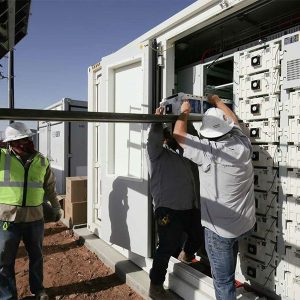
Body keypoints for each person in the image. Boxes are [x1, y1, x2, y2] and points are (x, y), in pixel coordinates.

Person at [173, 95, 256, 300]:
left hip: (219, 231)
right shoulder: (243, 143)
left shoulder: (207, 151)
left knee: (223, 281)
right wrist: (218, 101)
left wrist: (184, 110)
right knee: (229, 258)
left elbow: (178, 133)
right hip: (243, 224)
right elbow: (234, 121)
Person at [146, 107, 205, 299]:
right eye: (168, 134)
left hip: (190, 206)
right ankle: (155, 286)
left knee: (198, 237)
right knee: (166, 246)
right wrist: (157, 121)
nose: (170, 137)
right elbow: (153, 138)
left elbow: (192, 138)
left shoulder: (184, 154)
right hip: (168, 210)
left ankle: (186, 256)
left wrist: (184, 117)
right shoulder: (156, 153)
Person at [0, 122, 62, 300]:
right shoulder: (2, 157)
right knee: (4, 261)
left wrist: (56, 206)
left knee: (36, 257)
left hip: (34, 219)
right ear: (9, 144)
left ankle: (38, 289)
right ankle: (7, 296)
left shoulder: (41, 160)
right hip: (7, 219)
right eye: (17, 141)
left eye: (25, 139)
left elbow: (50, 186)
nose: (22, 144)